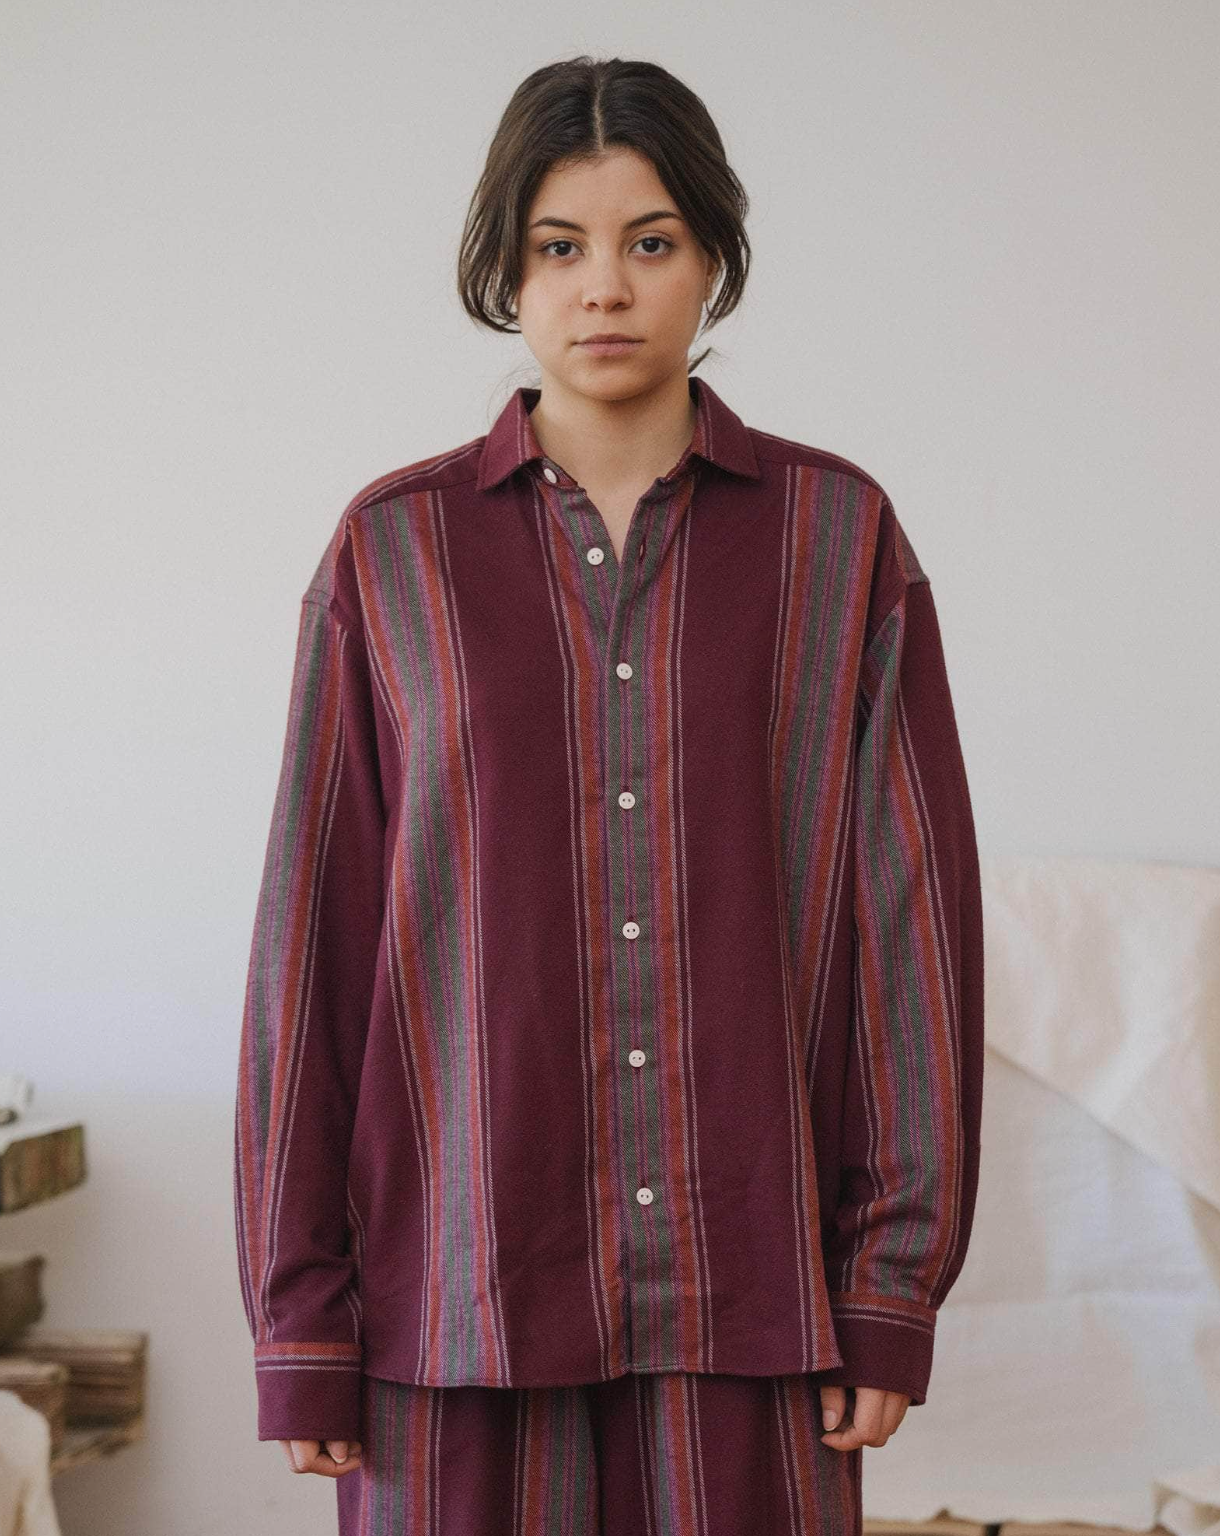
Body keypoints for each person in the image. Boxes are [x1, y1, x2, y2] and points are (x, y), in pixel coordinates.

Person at [233, 53, 984, 1536]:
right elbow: (308, 951)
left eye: (651, 241)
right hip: (452, 1310)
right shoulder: (393, 554)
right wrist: (300, 1316)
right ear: (506, 273)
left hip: (756, 1308)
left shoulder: (839, 542)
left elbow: (913, 932)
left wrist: (890, 1284)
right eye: (559, 247)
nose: (606, 289)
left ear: (714, 259)